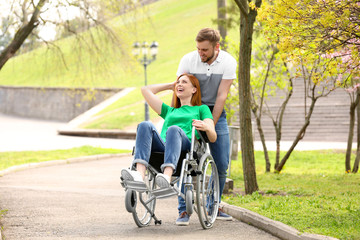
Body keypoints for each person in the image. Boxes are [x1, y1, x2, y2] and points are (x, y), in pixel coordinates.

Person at [175, 28, 237, 226]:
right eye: (198, 49)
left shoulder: (228, 62)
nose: (200, 53)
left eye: (204, 50)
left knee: (221, 162)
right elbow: (181, 90)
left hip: (215, 114)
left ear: (216, 47)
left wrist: (209, 122)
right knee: (185, 160)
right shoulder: (188, 60)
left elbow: (221, 96)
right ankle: (183, 210)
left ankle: (214, 205)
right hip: (191, 112)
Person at [121, 73, 217, 191]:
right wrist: (171, 86)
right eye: (178, 82)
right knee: (144, 125)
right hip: (163, 146)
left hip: (185, 147)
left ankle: (167, 176)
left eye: (184, 82)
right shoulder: (169, 111)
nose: (180, 84)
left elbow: (213, 137)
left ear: (194, 89)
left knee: (173, 129)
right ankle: (139, 175)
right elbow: (145, 90)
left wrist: (206, 127)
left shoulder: (201, 109)